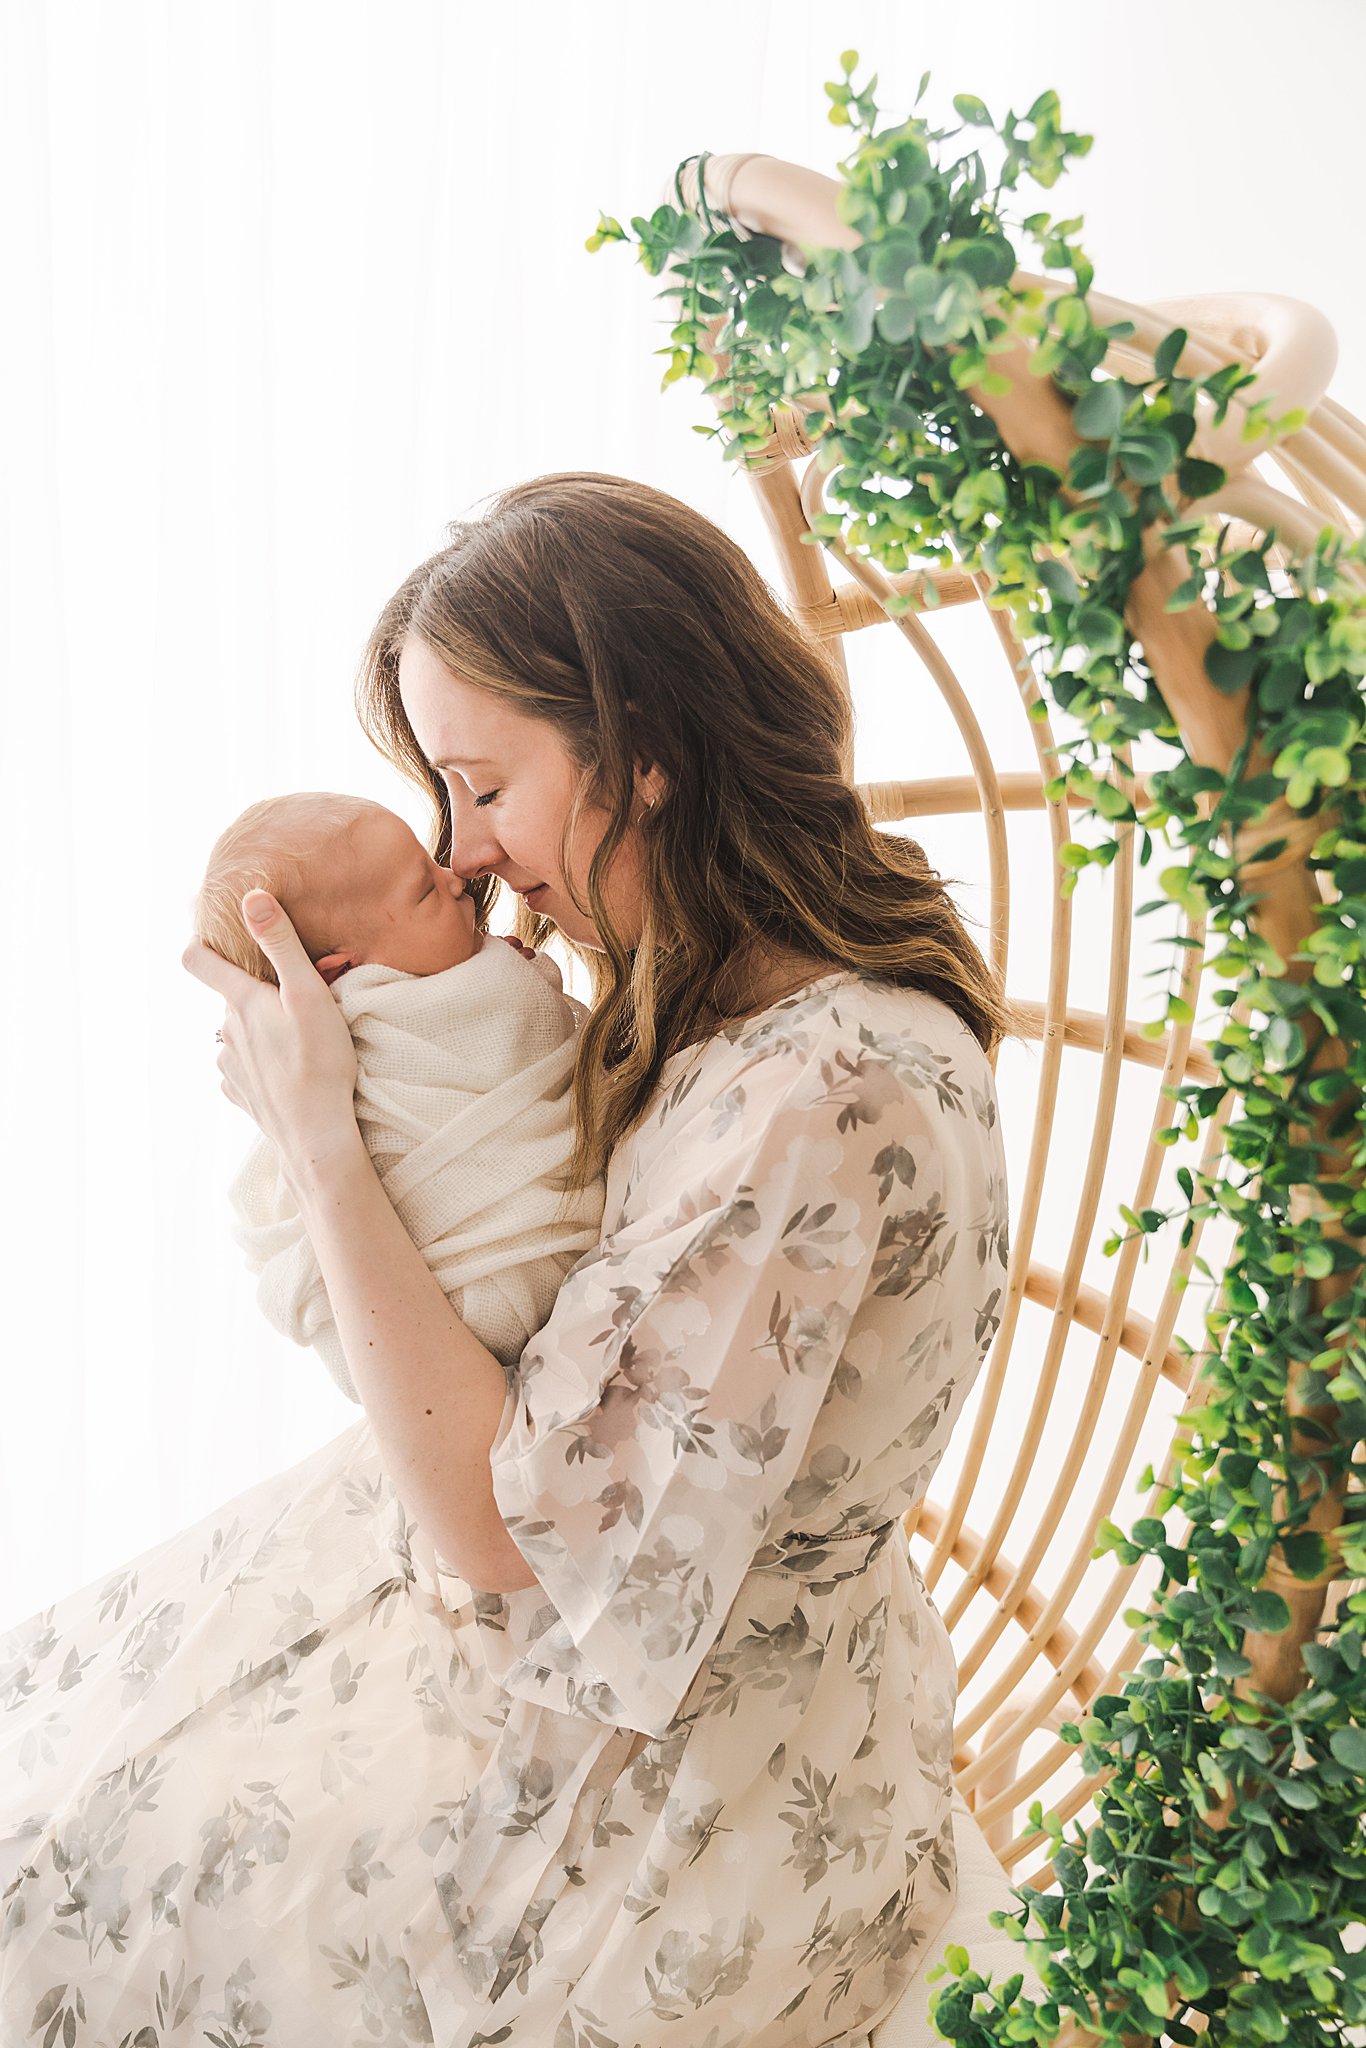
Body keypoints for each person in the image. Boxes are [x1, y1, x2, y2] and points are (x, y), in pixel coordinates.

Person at [0, 471, 1015, 2048]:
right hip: (603, 1653)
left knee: (75, 1875)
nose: (461, 854)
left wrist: (322, 1140)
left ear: (648, 753)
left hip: (682, 1788)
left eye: (479, 786)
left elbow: (498, 1530)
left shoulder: (818, 1094)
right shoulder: (728, 995)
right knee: (58, 1761)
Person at [199, 790, 603, 1406]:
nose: (457, 878)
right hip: (459, 1301)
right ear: (339, 973)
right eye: (423, 892)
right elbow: (533, 1021)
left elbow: (533, 1044)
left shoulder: (470, 978)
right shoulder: (357, 1030)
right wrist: (519, 981)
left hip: (423, 1342)